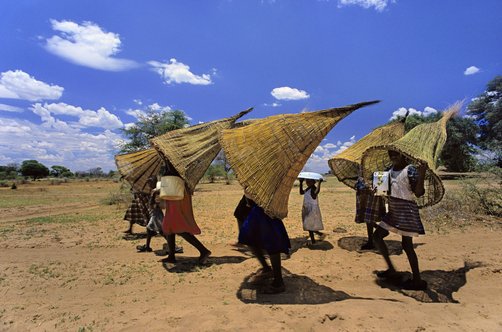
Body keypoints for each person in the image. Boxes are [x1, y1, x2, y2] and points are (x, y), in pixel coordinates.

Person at [372, 150, 428, 291]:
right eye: (391, 155)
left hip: (406, 211)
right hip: (393, 210)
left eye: (396, 154)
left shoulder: (411, 171)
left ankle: (417, 280)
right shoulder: (387, 171)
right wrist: (375, 187)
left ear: (403, 155)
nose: (393, 157)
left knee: (407, 245)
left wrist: (422, 173)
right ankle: (391, 269)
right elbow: (382, 192)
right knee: (377, 236)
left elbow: (419, 193)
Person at [239, 198, 291, 294]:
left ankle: (278, 282)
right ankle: (271, 273)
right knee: (253, 238)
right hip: (261, 207)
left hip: (265, 207)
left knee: (271, 241)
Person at [162, 186, 211, 265]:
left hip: (176, 199)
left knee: (178, 228)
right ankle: (171, 255)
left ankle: (203, 250)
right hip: (174, 198)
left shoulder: (175, 178)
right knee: (169, 228)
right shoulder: (181, 180)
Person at [136, 176, 183, 255]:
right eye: (148, 183)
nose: (149, 184)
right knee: (150, 230)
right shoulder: (155, 191)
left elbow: (155, 203)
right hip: (155, 213)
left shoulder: (156, 191)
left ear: (154, 182)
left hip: (156, 213)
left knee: (161, 231)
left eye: (150, 183)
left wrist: (152, 197)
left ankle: (174, 247)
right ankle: (147, 246)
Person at [354, 176, 386, 250]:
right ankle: (370, 241)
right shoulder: (361, 168)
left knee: (370, 217)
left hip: (374, 190)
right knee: (367, 218)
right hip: (363, 191)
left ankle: (380, 231)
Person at [299, 178, 325, 245]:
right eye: (307, 181)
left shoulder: (314, 188)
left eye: (309, 181)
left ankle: (313, 241)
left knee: (309, 225)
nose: (307, 182)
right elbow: (301, 192)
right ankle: (319, 233)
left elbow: (315, 194)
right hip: (307, 208)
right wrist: (301, 183)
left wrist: (319, 183)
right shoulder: (308, 188)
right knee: (308, 224)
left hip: (311, 209)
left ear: (313, 182)